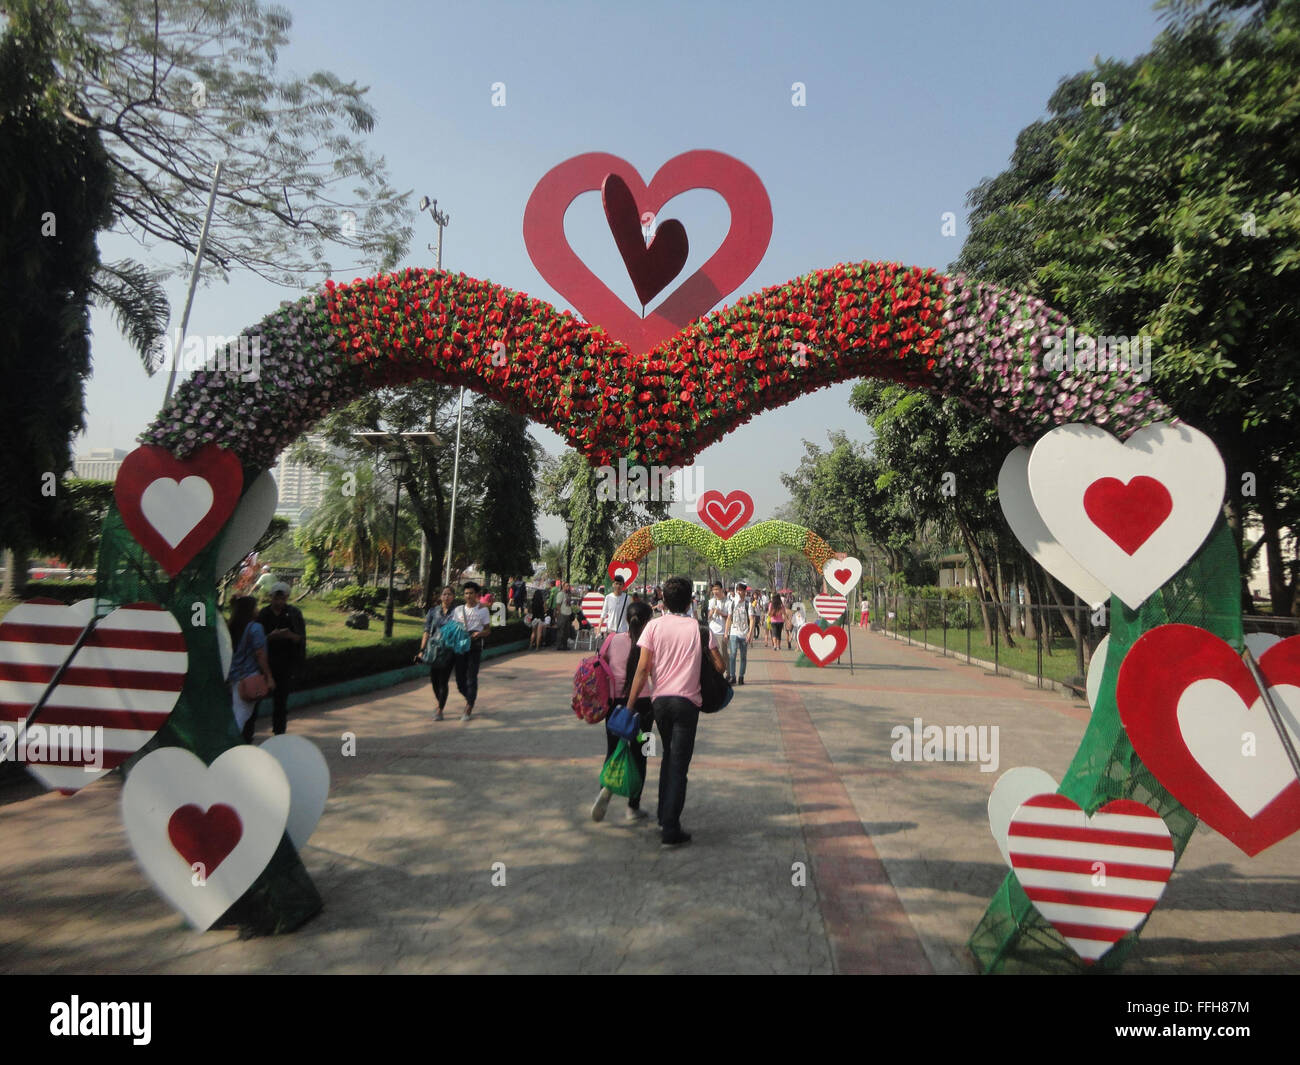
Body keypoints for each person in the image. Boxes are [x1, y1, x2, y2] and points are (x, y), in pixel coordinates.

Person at [624, 576, 723, 847]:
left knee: (669, 758)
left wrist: (630, 705)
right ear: (691, 599)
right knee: (678, 765)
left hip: (660, 703)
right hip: (687, 704)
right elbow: (720, 665)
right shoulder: (699, 629)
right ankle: (670, 827)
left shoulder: (653, 627)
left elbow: (643, 669)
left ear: (663, 601)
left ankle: (662, 815)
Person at [591, 601, 655, 824]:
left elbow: (602, 667)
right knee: (641, 755)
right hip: (644, 706)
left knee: (613, 750)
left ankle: (605, 787)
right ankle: (633, 807)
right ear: (647, 621)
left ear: (627, 619)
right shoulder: (651, 644)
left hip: (615, 706)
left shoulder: (611, 640)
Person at [245, 582, 306, 740]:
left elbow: (300, 638)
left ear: (286, 598)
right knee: (255, 701)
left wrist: (289, 636)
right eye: (276, 598)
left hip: (285, 664)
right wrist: (269, 637)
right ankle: (247, 735)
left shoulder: (293, 614)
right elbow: (254, 641)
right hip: (264, 664)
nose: (279, 602)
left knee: (281, 703)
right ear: (270, 597)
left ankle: (279, 735)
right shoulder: (263, 615)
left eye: (282, 598)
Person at [227, 596, 273, 736]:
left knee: (236, 712)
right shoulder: (255, 627)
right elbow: (260, 654)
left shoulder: (231, 627)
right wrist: (269, 676)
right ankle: (230, 747)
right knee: (241, 715)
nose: (257, 610)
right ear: (249, 610)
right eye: (255, 607)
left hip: (233, 676)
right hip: (249, 677)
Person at [416, 584, 458, 719]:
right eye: (444, 594)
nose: (446, 596)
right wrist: (422, 650)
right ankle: (440, 701)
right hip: (434, 650)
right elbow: (426, 631)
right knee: (434, 680)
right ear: (440, 597)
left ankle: (440, 710)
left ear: (453, 597)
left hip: (449, 650)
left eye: (449, 594)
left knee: (443, 680)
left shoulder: (457, 612)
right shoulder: (433, 612)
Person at [451, 581, 491, 719]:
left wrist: (478, 634)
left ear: (476, 594)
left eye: (471, 593)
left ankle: (468, 707)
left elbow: (487, 630)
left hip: (474, 647)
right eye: (466, 593)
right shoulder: (458, 610)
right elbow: (454, 628)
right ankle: (470, 698)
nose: (468, 596)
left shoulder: (483, 610)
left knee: (471, 677)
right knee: (459, 679)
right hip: (460, 646)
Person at [726, 583, 752, 685]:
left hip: (744, 633)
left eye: (741, 590)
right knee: (732, 655)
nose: (739, 592)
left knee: (743, 656)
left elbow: (752, 619)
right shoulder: (732, 603)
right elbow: (729, 618)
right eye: (738, 590)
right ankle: (733, 676)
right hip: (733, 632)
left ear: (745, 592)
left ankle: (741, 676)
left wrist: (750, 633)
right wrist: (726, 632)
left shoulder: (748, 604)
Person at [706, 580, 729, 679]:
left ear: (721, 589)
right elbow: (709, 616)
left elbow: (729, 617)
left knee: (723, 654)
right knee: (712, 654)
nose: (715, 591)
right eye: (713, 590)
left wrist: (720, 613)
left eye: (717, 589)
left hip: (721, 631)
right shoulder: (711, 601)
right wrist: (710, 614)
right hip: (712, 631)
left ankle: (727, 673)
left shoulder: (728, 602)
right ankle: (715, 673)